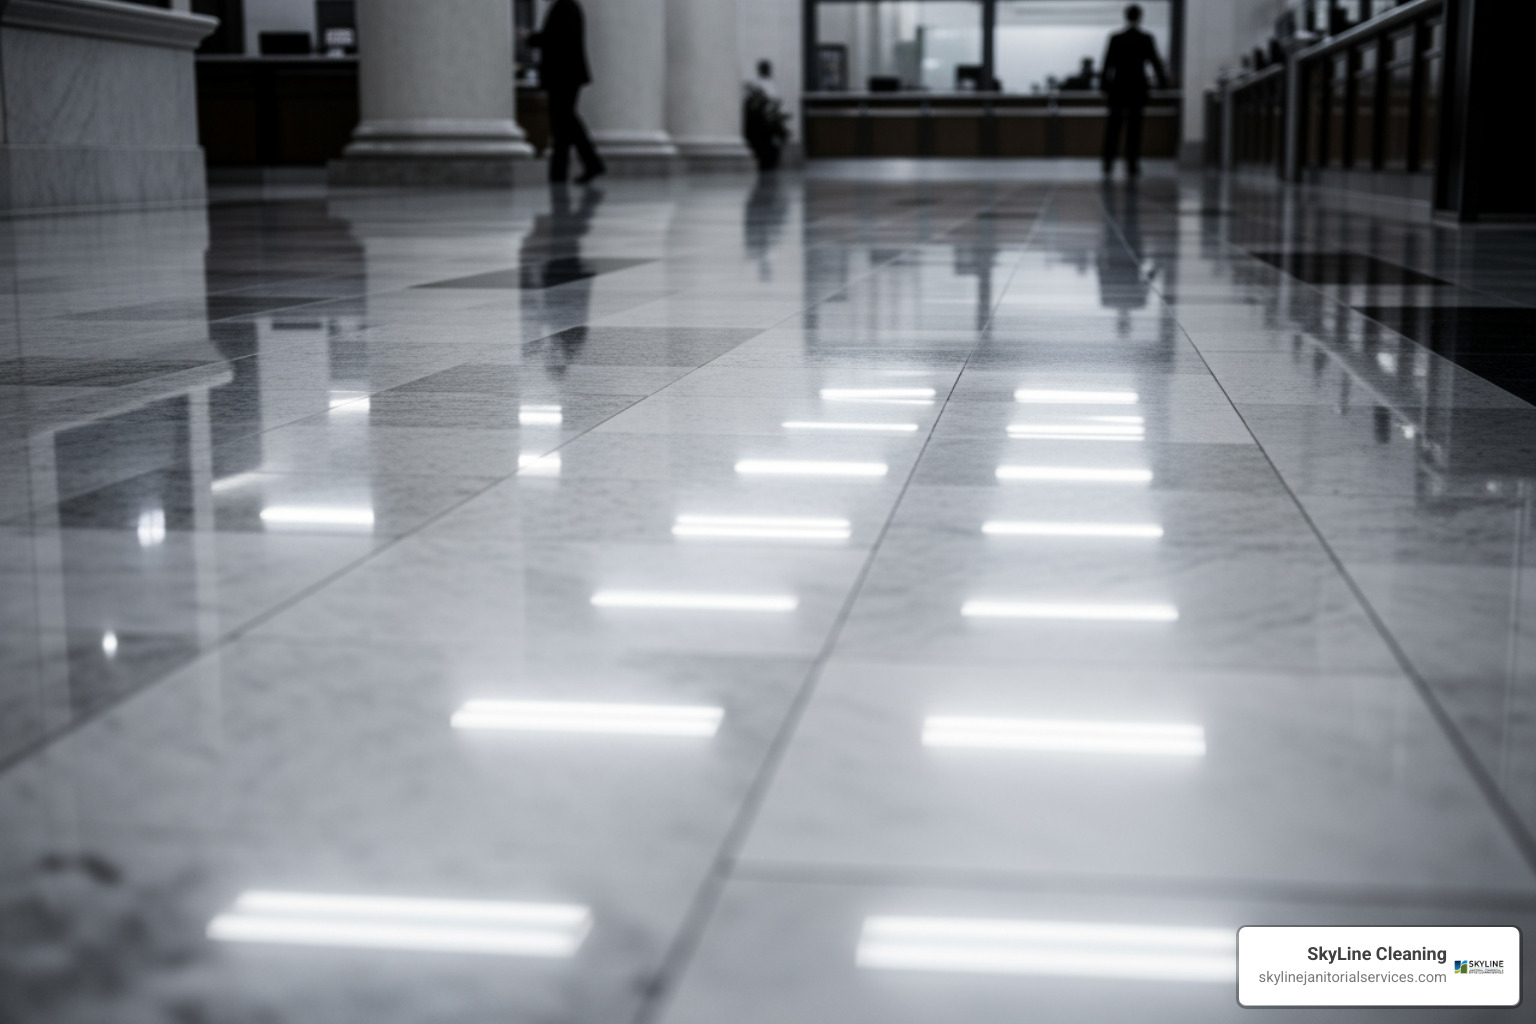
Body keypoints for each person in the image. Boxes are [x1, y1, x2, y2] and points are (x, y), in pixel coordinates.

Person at [527, 0, 605, 184]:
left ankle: (584, 164)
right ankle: (564, 170)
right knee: (564, 123)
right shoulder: (569, 7)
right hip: (568, 75)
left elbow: (555, 39)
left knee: (564, 120)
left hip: (563, 75)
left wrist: (530, 39)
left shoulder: (564, 7)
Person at [1100, 4, 1168, 177]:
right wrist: (1163, 84)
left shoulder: (1116, 38)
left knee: (1113, 128)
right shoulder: (1145, 39)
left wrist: (1104, 86)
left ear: (1126, 16)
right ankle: (1132, 163)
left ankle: (1108, 162)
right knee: (1134, 128)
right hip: (1137, 87)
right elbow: (1155, 62)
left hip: (1118, 87)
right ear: (1139, 17)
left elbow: (1107, 64)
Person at [743, 59, 789, 171]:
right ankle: (768, 161)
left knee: (771, 140)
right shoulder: (763, 84)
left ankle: (769, 160)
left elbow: (776, 102)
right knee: (768, 141)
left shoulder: (763, 84)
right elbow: (775, 101)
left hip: (766, 118)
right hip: (764, 119)